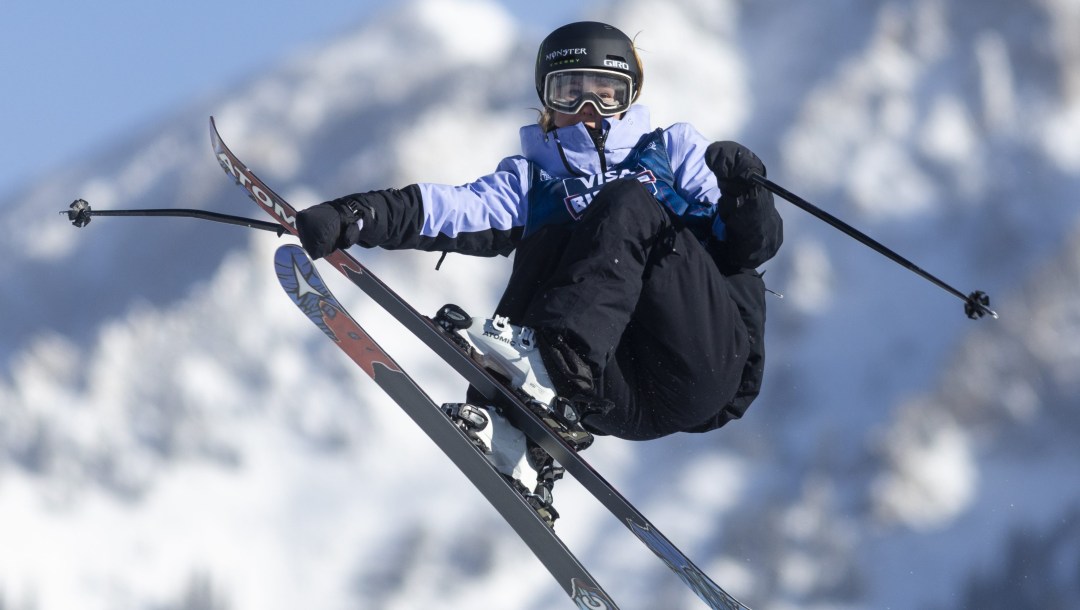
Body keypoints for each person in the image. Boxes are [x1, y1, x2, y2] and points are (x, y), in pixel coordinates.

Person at [296, 21, 783, 525]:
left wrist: (747, 196)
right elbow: (453, 209)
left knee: (627, 204)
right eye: (571, 92)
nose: (589, 111)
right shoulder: (534, 181)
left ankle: (548, 372)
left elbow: (748, 249)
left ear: (631, 97)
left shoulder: (670, 153)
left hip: (702, 361)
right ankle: (521, 437)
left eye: (606, 94)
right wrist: (355, 213)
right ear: (546, 100)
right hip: (611, 395)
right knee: (547, 234)